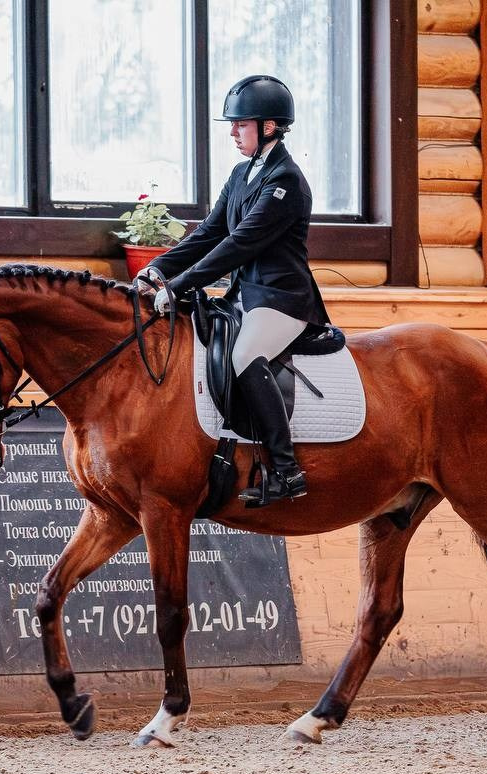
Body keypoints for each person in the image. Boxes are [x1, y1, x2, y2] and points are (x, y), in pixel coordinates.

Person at [136, 74, 330, 508]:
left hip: (281, 299)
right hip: (245, 294)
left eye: (240, 125)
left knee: (245, 355)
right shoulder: (242, 174)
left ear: (269, 127)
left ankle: (286, 469)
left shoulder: (287, 183)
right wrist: (157, 269)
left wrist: (182, 284)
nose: (231, 132)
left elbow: (240, 242)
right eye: (233, 124)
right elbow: (209, 233)